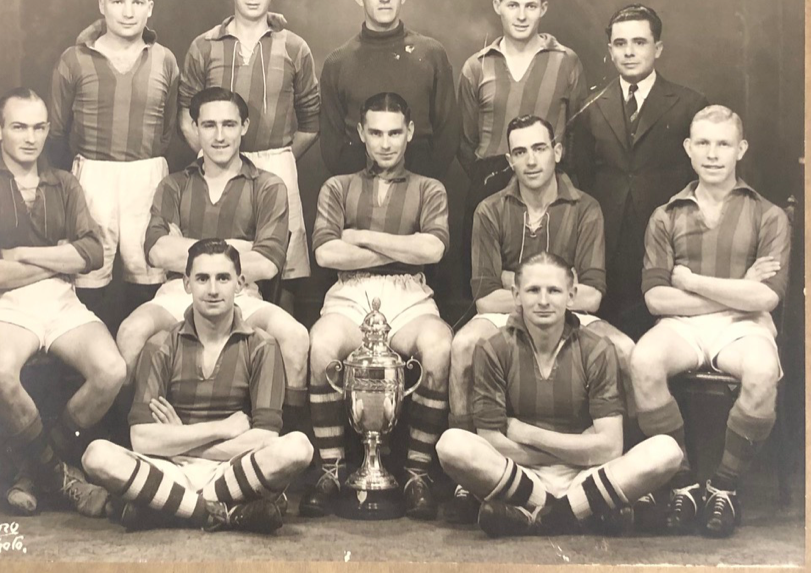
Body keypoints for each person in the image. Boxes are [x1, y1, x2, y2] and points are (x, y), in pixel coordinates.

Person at [448, 114, 636, 521]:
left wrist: (518, 283)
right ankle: (470, 476)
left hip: (570, 311)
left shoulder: (585, 207)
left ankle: (622, 469)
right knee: (463, 345)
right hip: (515, 309)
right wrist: (548, 290)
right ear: (509, 160)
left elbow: (591, 294)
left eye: (539, 148)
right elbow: (485, 298)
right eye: (520, 152)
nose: (531, 160)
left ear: (557, 151)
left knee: (626, 349)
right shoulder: (489, 209)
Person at [0, 88, 125, 517]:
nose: (30, 138)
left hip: (61, 300)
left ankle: (36, 468)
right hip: (3, 304)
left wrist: (20, 255)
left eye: (38, 127)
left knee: (112, 371)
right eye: (18, 127)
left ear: (48, 129)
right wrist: (59, 258)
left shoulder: (64, 183)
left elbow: (93, 254)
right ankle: (61, 477)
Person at [436, 253, 683, 538]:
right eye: (533, 290)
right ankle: (576, 511)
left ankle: (539, 514)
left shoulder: (597, 349)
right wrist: (578, 449)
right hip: (522, 470)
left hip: (584, 474)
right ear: (516, 295)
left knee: (666, 450)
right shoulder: (493, 349)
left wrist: (527, 433)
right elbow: (491, 441)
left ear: (571, 295)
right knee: (451, 445)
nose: (543, 301)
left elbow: (610, 448)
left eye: (554, 290)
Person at [629, 105, 790, 537]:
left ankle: (724, 487)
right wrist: (737, 290)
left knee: (762, 371)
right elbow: (656, 299)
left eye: (723, 143)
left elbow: (766, 297)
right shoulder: (666, 215)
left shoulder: (769, 214)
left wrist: (692, 281)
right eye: (703, 142)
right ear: (688, 148)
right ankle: (682, 484)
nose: (713, 153)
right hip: (685, 325)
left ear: (741, 149)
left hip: (744, 328)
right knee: (643, 361)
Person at [82, 241, 314, 534]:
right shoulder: (160, 345)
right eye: (202, 278)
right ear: (186, 284)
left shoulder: (262, 345)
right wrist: (222, 428)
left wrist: (181, 440)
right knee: (96, 455)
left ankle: (171, 507)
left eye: (223, 278)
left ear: (240, 284)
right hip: (171, 469)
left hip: (229, 467)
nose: (213, 289)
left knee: (298, 448)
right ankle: (215, 512)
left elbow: (265, 436)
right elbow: (141, 439)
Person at [115, 87, 310, 434]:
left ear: (244, 126)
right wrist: (238, 247)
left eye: (229, 125)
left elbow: (266, 264)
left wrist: (185, 248)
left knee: (296, 338)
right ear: (195, 128)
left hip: (243, 293)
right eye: (209, 125)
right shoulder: (174, 185)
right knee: (131, 332)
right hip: (179, 291)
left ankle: (286, 442)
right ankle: (132, 438)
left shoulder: (268, 186)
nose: (220, 136)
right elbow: (157, 252)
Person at [305, 93, 453, 520]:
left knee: (439, 346)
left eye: (394, 133)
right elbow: (326, 254)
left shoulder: (429, 188)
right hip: (351, 291)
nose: (385, 143)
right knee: (321, 345)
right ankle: (332, 468)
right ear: (361, 133)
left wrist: (360, 236)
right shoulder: (338, 187)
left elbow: (432, 249)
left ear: (409, 133)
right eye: (376, 133)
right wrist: (402, 247)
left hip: (409, 292)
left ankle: (416, 473)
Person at [178, 0, 320, 287]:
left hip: (276, 163)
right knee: (220, 265)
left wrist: (278, 158)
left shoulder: (294, 47)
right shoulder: (204, 46)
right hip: (218, 168)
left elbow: (311, 123)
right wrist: (218, 157)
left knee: (281, 273)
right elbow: (185, 116)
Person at [566, 4, 708, 339]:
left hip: (667, 235)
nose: (629, 52)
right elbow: (580, 172)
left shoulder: (690, 104)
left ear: (658, 48)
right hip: (608, 237)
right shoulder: (590, 106)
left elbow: (701, 177)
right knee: (610, 334)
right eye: (620, 43)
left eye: (639, 42)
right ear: (610, 50)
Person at [48, 0, 181, 316]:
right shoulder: (74, 59)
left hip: (147, 173)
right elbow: (57, 131)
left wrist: (144, 163)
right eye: (118, 1)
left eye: (137, 2)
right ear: (102, 5)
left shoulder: (165, 60)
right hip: (92, 174)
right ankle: (91, 347)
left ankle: (142, 349)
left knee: (150, 272)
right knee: (89, 274)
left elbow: (167, 129)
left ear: (150, 8)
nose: (128, 12)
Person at [456, 0, 585, 275]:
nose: (522, 15)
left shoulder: (566, 62)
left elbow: (579, 133)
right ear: (498, 6)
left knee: (550, 281)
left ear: (544, 8)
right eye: (513, 5)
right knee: (488, 285)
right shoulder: (477, 66)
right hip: (490, 186)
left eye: (531, 6)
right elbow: (465, 140)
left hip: (549, 189)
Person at [318, 0, 459, 181]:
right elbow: (332, 148)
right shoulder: (338, 63)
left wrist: (419, 186)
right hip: (358, 191)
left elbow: (448, 135)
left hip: (421, 188)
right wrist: (359, 190)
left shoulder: (431, 54)